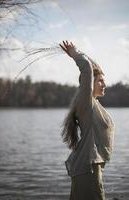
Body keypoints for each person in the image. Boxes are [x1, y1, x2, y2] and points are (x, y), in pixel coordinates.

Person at [60, 41, 115, 200]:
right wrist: (76, 54)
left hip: (92, 168)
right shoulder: (86, 103)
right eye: (100, 81)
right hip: (87, 170)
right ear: (89, 84)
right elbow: (87, 68)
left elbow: (93, 66)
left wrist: (80, 52)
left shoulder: (94, 104)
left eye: (104, 80)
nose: (104, 84)